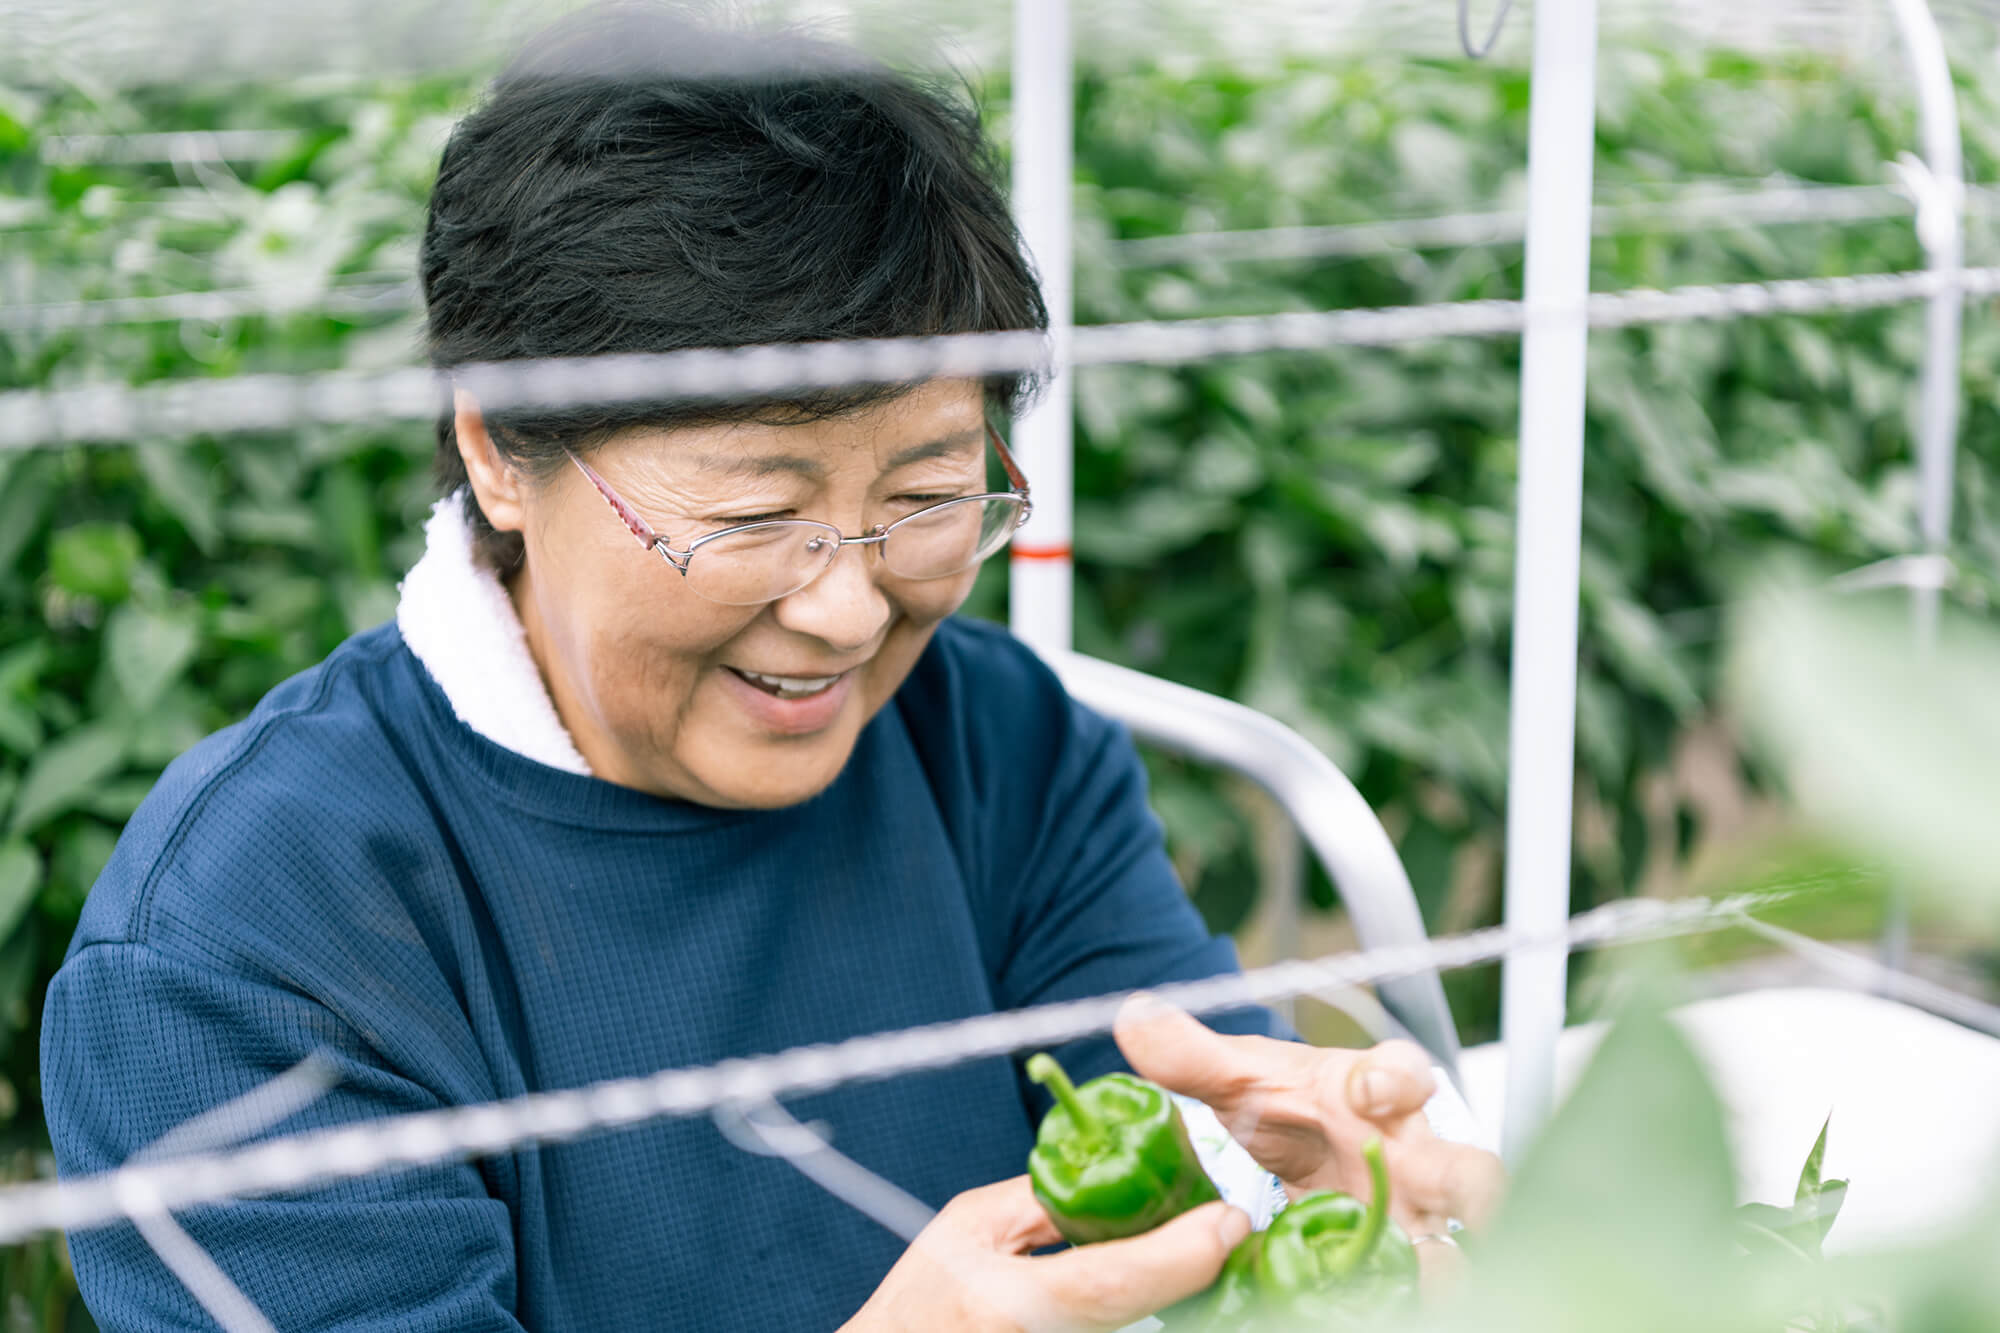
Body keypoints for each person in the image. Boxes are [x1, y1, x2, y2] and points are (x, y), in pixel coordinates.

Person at [40, 7, 1502, 1328]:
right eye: (755, 516)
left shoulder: (998, 748)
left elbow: (1173, 1101)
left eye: (928, 495)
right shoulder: (240, 948)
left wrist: (1278, 1164)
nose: (850, 610)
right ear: (499, 449)